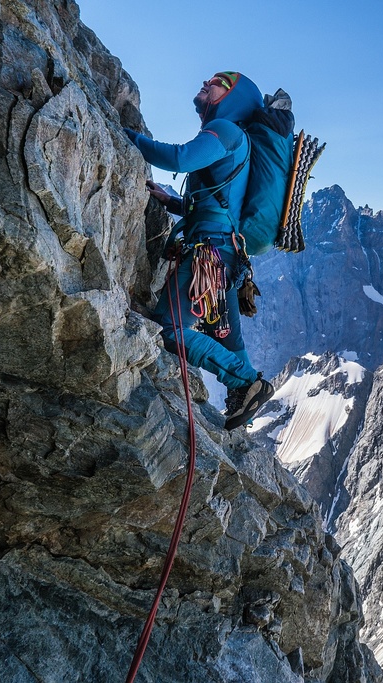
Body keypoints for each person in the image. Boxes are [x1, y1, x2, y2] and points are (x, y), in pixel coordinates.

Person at [124, 71, 274, 430]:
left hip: (208, 254)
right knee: (229, 335)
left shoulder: (226, 131)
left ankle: (245, 383)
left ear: (235, 97)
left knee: (170, 329)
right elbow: (218, 203)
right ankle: (246, 400)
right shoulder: (236, 138)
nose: (207, 82)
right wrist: (173, 201)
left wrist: (126, 136)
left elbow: (178, 159)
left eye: (220, 81)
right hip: (226, 254)